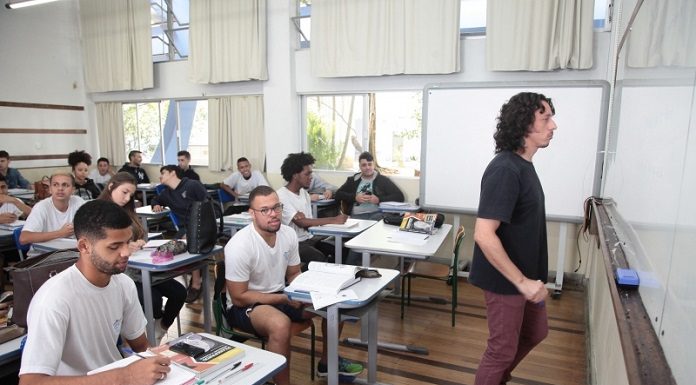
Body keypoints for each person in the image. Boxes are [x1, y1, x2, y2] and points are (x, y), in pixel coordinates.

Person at [18, 200, 171, 385]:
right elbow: (30, 382)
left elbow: (141, 346)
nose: (125, 253)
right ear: (84, 247)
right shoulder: (53, 300)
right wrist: (126, 376)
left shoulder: (124, 284)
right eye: (114, 246)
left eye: (127, 242)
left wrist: (161, 366)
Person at [224, 186, 363, 385]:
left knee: (334, 303)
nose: (273, 214)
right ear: (252, 214)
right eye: (265, 210)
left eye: (276, 207)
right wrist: (284, 298)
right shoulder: (240, 245)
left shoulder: (288, 234)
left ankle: (327, 363)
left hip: (281, 294)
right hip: (246, 305)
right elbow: (239, 296)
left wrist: (308, 292)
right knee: (280, 324)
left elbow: (294, 274)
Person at [469, 92, 556, 385]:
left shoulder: (523, 166)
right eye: (545, 118)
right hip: (506, 281)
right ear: (523, 124)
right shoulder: (505, 168)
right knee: (500, 352)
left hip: (526, 276)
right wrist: (521, 282)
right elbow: (484, 233)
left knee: (535, 332)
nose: (553, 125)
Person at [98, 172, 186, 344]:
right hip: (119, 272)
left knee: (179, 292)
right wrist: (123, 247)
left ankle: (160, 329)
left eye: (130, 194)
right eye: (124, 192)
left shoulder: (127, 211)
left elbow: (141, 235)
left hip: (141, 266)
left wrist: (139, 242)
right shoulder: (99, 212)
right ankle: (139, 336)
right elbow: (101, 247)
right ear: (111, 187)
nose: (127, 198)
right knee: (152, 300)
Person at [276, 152, 348, 266]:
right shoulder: (281, 195)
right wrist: (334, 220)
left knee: (342, 250)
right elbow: (302, 222)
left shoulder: (304, 193)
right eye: (307, 174)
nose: (311, 177)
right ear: (295, 175)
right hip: (294, 244)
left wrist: (304, 222)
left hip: (309, 238)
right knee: (318, 258)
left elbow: (307, 224)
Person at [151, 165, 208, 303]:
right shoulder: (167, 193)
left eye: (163, 173)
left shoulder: (192, 185)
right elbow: (156, 199)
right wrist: (155, 205)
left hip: (204, 225)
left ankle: (196, 284)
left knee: (190, 240)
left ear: (172, 173)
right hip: (185, 229)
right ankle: (167, 286)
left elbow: (208, 206)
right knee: (163, 252)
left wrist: (196, 228)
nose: (160, 177)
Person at [19, 173, 85, 257]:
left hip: (69, 255)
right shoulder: (41, 207)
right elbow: (24, 238)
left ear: (73, 190)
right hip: (42, 258)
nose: (60, 188)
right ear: (50, 189)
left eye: (65, 185)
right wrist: (60, 233)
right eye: (55, 185)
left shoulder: (78, 202)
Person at [335, 151, 404, 220]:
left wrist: (379, 199)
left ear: (373, 165)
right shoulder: (352, 180)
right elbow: (338, 194)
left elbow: (399, 196)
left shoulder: (382, 180)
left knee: (377, 220)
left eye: (370, 164)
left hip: (377, 214)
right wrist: (355, 197)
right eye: (364, 165)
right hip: (357, 215)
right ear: (360, 166)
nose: (367, 167)